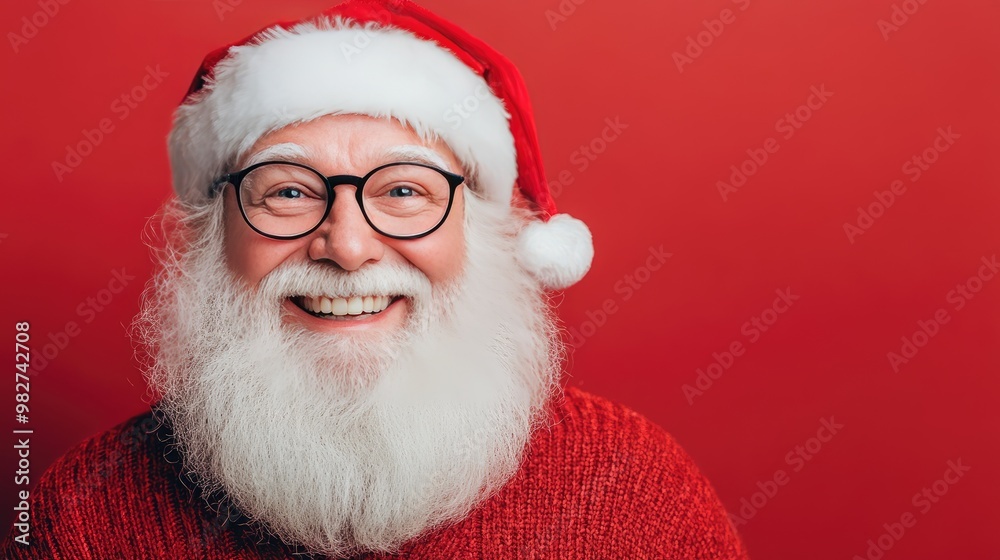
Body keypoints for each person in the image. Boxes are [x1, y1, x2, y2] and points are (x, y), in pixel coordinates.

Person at [3, 1, 750, 557]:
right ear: (213, 236)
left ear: (481, 235)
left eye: (404, 192)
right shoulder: (84, 516)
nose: (350, 247)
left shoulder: (633, 492)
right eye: (289, 192)